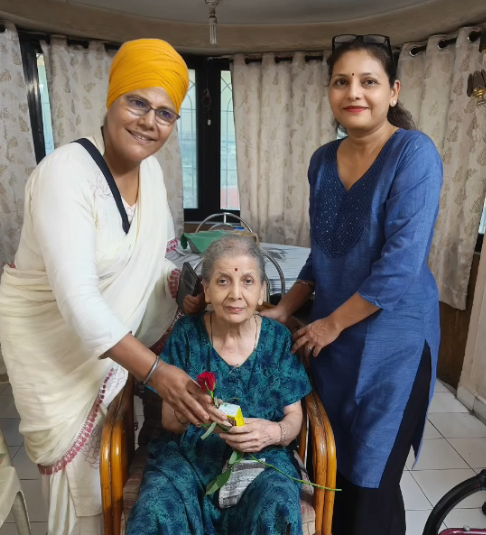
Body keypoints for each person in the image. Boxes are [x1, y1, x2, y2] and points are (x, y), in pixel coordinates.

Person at [0, 39, 224, 535]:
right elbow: (79, 301)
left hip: (111, 353)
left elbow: (157, 256)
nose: (149, 122)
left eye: (165, 113)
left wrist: (179, 288)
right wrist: (158, 373)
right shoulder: (65, 174)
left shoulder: (152, 173)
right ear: (111, 99)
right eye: (137, 102)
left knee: (113, 481)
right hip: (56, 357)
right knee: (82, 500)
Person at [262, 35, 443, 535]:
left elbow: (400, 265)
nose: (354, 92)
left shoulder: (413, 154)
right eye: (341, 81)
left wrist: (329, 325)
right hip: (335, 343)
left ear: (393, 91)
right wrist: (285, 309)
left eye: (369, 81)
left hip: (394, 342)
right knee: (332, 472)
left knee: (373, 480)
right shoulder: (322, 160)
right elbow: (322, 254)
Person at [126, 235, 312, 535]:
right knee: (156, 508)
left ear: (262, 290)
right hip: (188, 459)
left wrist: (272, 432)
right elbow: (169, 420)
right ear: (207, 290)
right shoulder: (186, 334)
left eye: (248, 281)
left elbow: (294, 417)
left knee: (276, 505)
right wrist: (191, 414)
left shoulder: (277, 339)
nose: (236, 294)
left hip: (260, 461)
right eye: (223, 281)